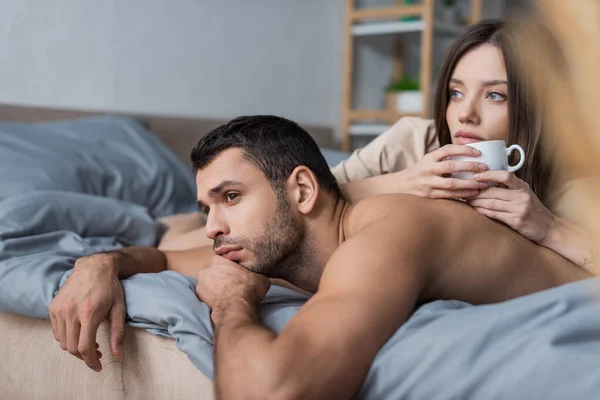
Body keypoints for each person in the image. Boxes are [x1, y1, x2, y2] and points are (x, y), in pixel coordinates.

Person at [49, 115, 592, 399]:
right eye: (205, 206)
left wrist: (230, 305)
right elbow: (166, 259)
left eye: (231, 198)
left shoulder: (386, 234)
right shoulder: (269, 243)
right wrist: (100, 262)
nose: (212, 226)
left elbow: (273, 392)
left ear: (303, 191)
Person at [157, 20, 595, 269]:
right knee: (177, 239)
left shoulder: (571, 185)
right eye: (456, 93)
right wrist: (402, 182)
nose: (466, 114)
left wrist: (550, 228)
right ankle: (167, 222)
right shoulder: (415, 140)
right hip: (299, 195)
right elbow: (308, 199)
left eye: (495, 95)